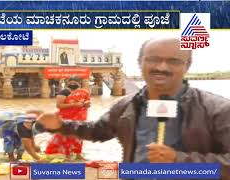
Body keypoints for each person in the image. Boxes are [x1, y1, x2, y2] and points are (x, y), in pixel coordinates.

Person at [38, 38, 230, 179]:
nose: (162, 67)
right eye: (153, 59)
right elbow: (96, 131)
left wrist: (179, 160)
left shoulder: (217, 109)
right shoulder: (127, 106)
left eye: (174, 61)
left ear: (187, 66)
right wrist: (61, 125)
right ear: (140, 63)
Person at [45, 76, 90, 160]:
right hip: (67, 118)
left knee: (79, 137)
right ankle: (67, 155)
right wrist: (74, 105)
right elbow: (59, 105)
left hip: (80, 119)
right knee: (67, 137)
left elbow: (87, 104)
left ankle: (78, 155)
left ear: (79, 82)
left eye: (75, 82)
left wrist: (86, 104)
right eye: (71, 82)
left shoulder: (83, 92)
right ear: (67, 82)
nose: (73, 83)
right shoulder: (64, 92)